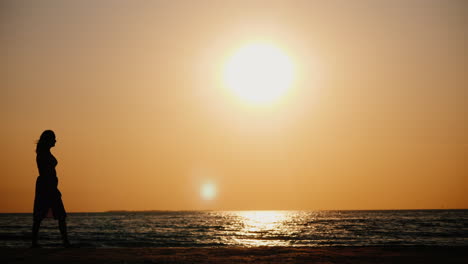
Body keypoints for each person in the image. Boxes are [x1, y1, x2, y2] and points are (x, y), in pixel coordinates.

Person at [32, 130, 70, 248]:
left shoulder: (45, 153)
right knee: (56, 215)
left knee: (46, 216)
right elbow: (46, 173)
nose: (55, 141)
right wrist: (52, 188)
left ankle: (64, 242)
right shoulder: (43, 154)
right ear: (48, 140)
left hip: (48, 185)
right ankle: (65, 242)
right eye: (53, 138)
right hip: (47, 186)